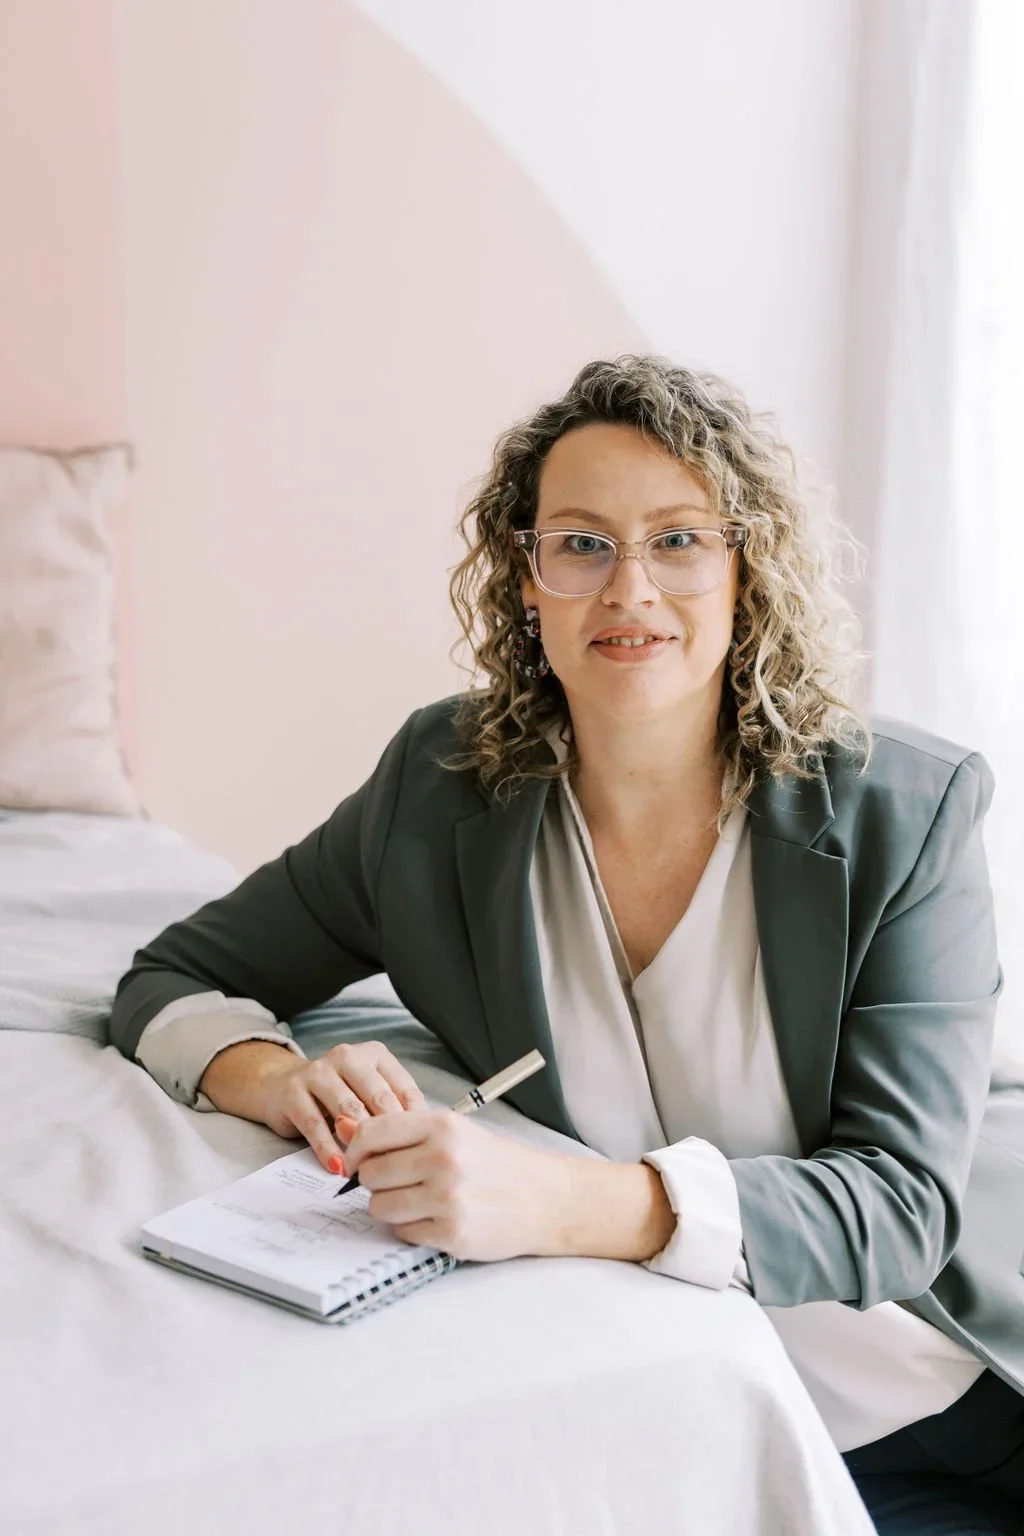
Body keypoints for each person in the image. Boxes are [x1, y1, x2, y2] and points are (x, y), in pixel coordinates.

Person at [108, 355, 1024, 1534]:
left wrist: (558, 1200)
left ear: (746, 570)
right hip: (649, 1411)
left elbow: (897, 1209)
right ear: (525, 578)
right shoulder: (439, 787)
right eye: (581, 545)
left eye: (679, 541)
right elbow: (174, 976)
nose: (628, 589)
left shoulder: (906, 810)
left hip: (921, 1409)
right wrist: (284, 1084)